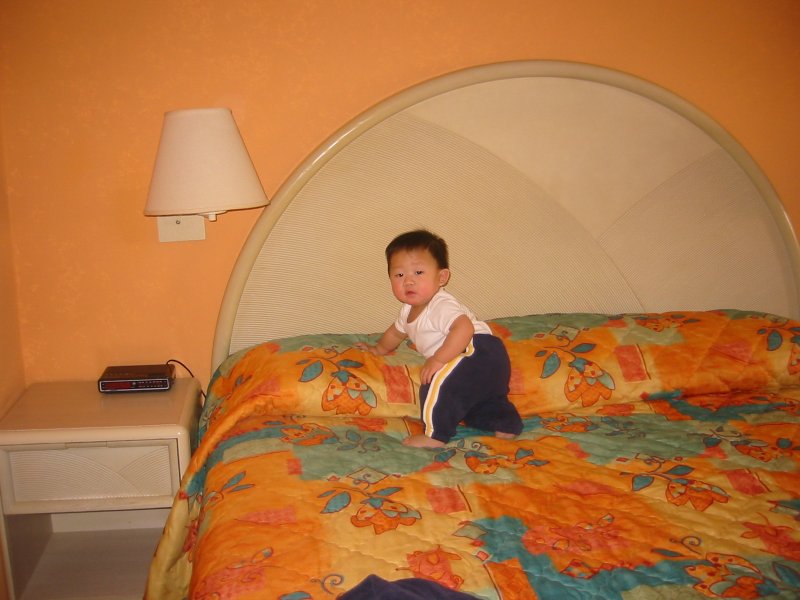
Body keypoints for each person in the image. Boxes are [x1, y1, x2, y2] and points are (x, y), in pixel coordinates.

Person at [359, 229, 523, 447]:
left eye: (418, 272)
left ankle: (435, 435)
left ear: (442, 277)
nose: (408, 281)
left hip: (476, 350)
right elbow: (395, 333)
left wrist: (438, 359)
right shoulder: (406, 312)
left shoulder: (439, 304)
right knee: (475, 405)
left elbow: (463, 328)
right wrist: (379, 349)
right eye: (399, 275)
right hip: (487, 364)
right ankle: (506, 422)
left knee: (433, 382)